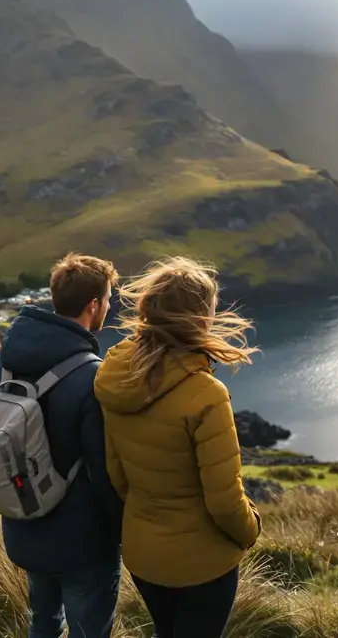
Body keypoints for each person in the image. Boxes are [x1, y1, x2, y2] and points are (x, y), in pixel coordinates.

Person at [95, 257, 262, 638]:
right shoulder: (206, 394)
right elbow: (224, 500)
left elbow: (117, 474)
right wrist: (251, 529)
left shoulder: (116, 377)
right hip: (202, 565)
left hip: (143, 555)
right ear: (198, 318)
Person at [0, 253, 124, 638]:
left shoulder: (0, 365)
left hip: (22, 523)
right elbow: (103, 472)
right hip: (82, 543)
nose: (109, 307)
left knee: (42, 623)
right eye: (108, 299)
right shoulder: (91, 375)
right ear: (94, 306)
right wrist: (121, 531)